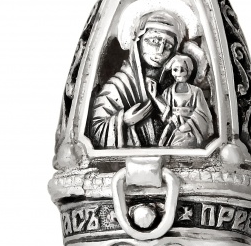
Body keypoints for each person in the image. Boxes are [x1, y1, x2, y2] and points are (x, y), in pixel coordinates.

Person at [90, 11, 184, 148]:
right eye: (154, 41)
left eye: (168, 45)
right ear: (138, 41)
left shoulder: (174, 84)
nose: (160, 50)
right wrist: (124, 120)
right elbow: (97, 131)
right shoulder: (117, 85)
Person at [156, 54, 213, 148]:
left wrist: (189, 125)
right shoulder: (168, 92)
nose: (178, 73)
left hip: (190, 130)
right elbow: (163, 113)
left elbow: (203, 113)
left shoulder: (196, 91)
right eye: (175, 70)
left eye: (182, 70)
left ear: (188, 71)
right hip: (173, 128)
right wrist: (170, 119)